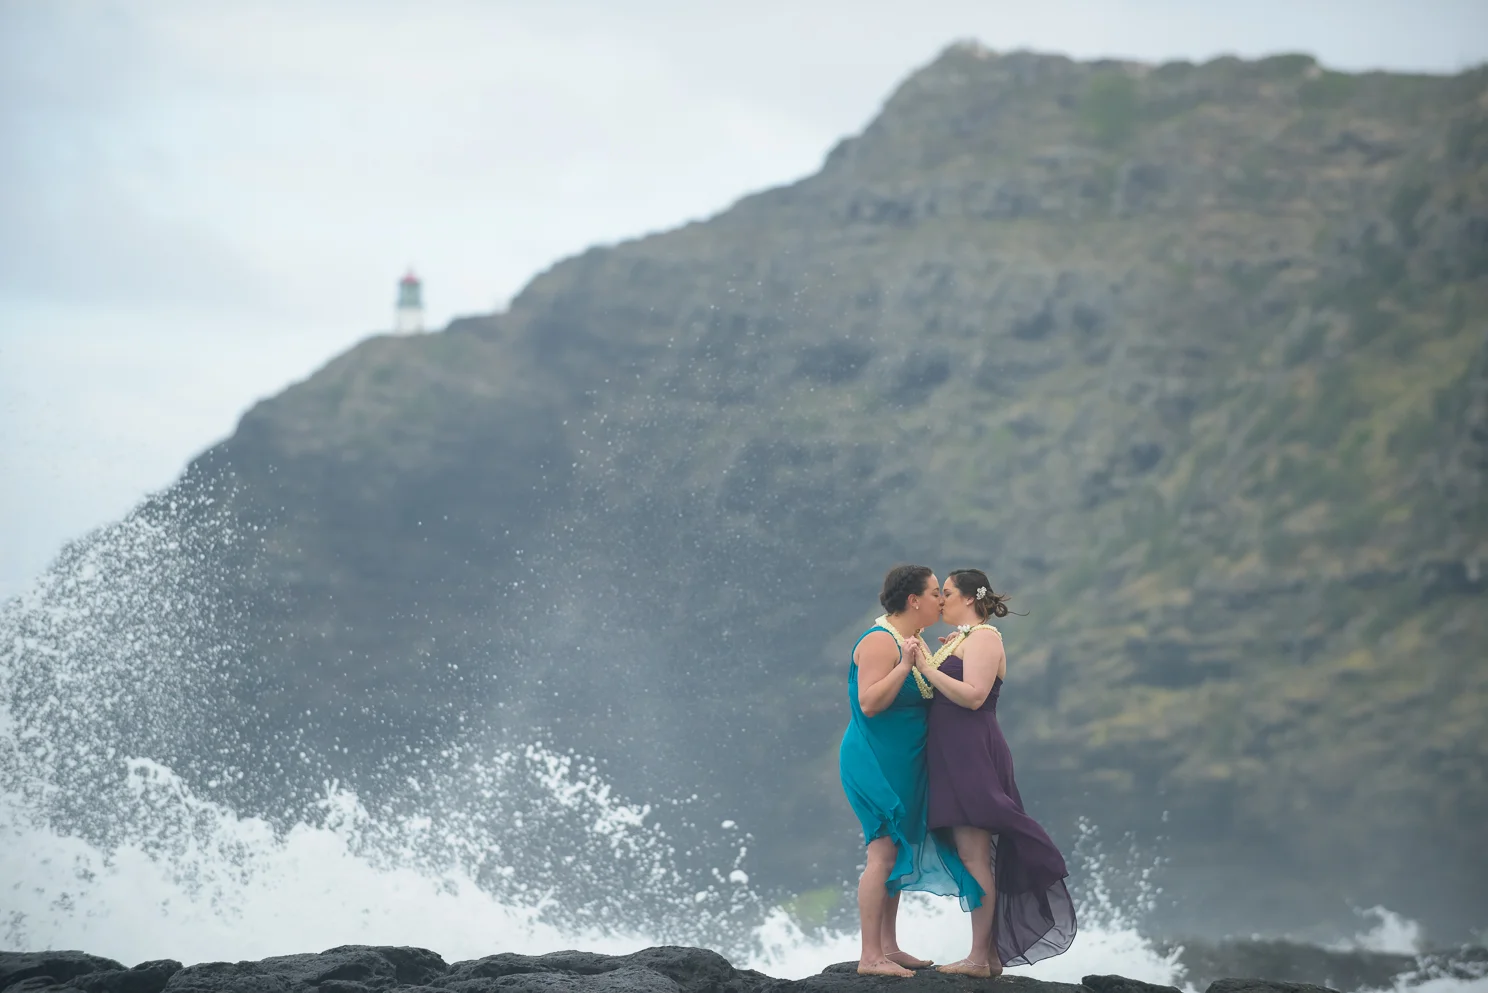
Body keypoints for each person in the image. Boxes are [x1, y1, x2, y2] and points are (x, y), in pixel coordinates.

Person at [913, 568, 1077, 976]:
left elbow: (974, 697)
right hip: (954, 752)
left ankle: (979, 958)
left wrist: (928, 667)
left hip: (972, 751)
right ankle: (985, 957)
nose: (941, 600)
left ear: (969, 597)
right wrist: (941, 659)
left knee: (975, 855)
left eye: (947, 592)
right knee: (971, 854)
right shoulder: (964, 639)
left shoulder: (985, 637)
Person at [838, 564, 982, 977]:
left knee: (896, 848)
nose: (942, 600)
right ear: (914, 600)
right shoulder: (881, 641)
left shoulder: (912, 641)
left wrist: (949, 653)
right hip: (875, 761)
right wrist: (903, 667)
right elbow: (868, 702)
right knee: (883, 851)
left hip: (905, 762)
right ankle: (870, 956)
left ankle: (889, 946)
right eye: (936, 593)